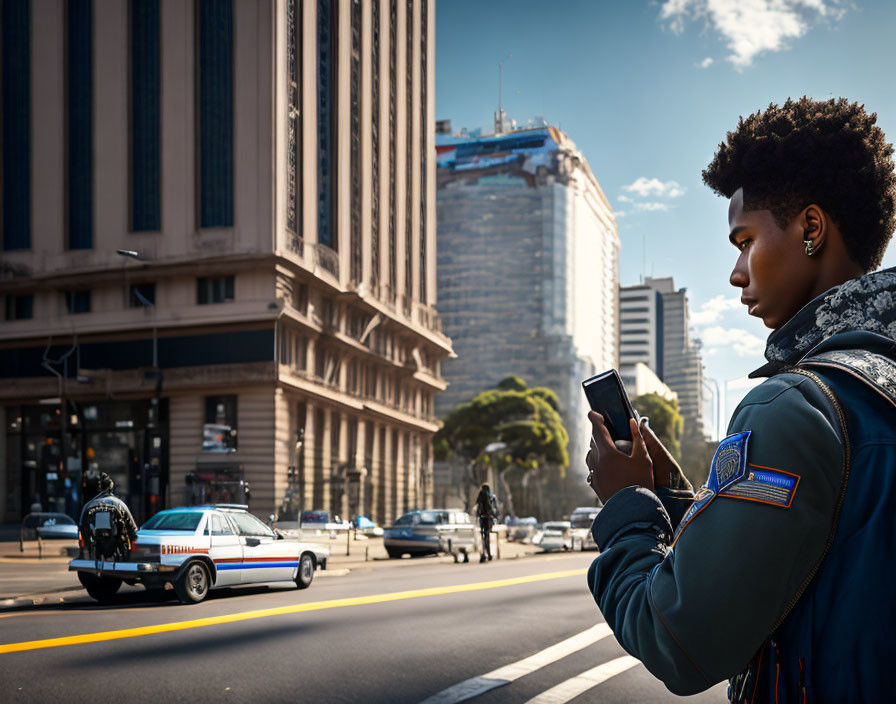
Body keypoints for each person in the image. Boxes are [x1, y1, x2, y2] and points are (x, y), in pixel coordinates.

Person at [584, 97, 896, 703]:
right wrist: (678, 501)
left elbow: (679, 639)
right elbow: (823, 556)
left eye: (745, 240)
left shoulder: (792, 407)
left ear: (811, 228)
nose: (736, 272)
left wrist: (625, 504)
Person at [79, 473, 139, 561]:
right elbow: (132, 528)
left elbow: (81, 528)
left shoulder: (87, 506)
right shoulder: (119, 504)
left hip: (95, 550)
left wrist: (87, 548)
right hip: (118, 552)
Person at [475, 483, 498, 562]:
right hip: (486, 519)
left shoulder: (486, 496)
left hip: (485, 519)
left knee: (484, 537)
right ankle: (487, 553)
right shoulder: (487, 496)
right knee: (486, 537)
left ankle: (486, 553)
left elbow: (478, 508)